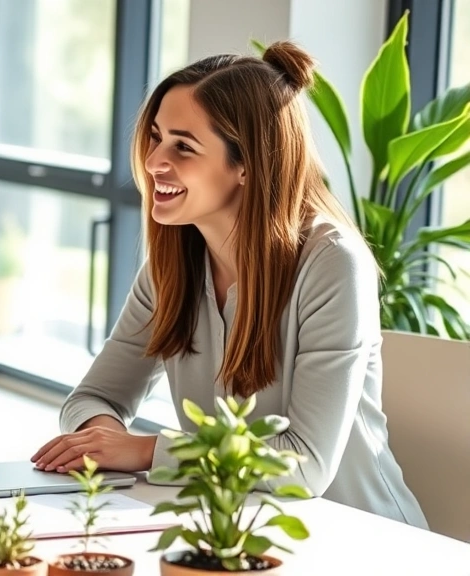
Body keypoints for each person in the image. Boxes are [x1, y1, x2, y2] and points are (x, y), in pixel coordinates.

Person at [32, 41, 428, 528]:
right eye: (155, 137)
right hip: (235, 528)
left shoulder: (332, 263)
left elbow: (306, 465)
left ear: (246, 164)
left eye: (184, 146)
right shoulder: (172, 263)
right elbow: (95, 397)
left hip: (361, 538)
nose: (154, 160)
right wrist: (101, 437)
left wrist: (145, 450)